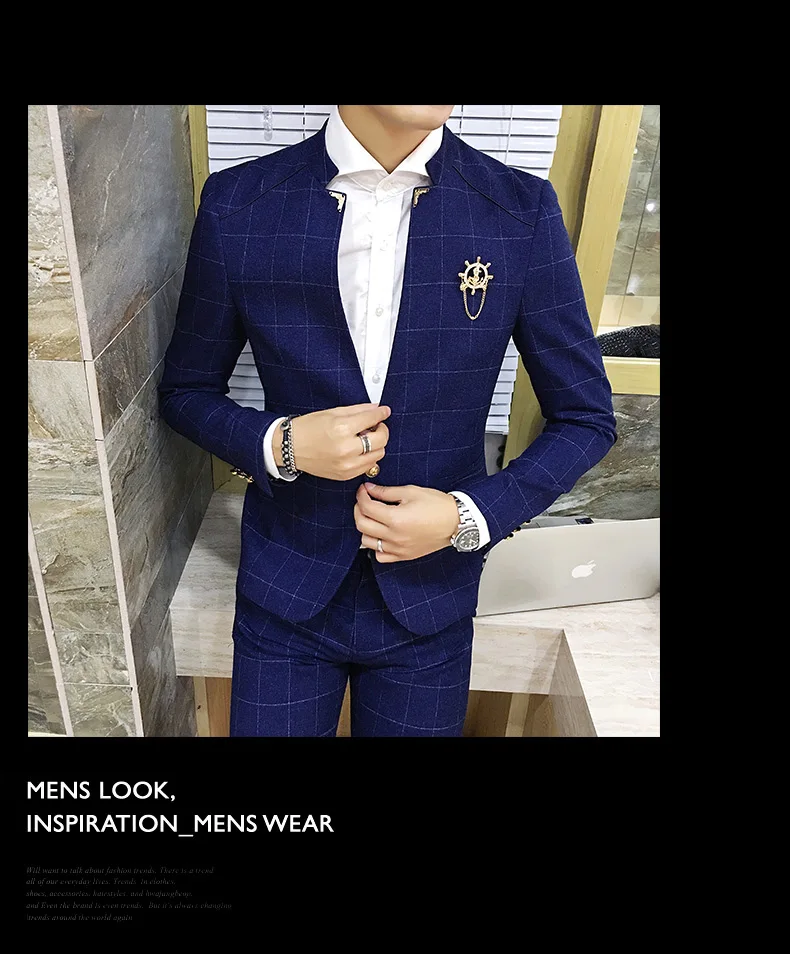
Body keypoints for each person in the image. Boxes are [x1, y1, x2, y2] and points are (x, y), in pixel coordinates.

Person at [159, 104, 616, 737]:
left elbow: (586, 417)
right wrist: (279, 442)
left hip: (431, 600)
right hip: (286, 591)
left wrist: (469, 516)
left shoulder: (519, 211)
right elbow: (186, 391)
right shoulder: (241, 202)